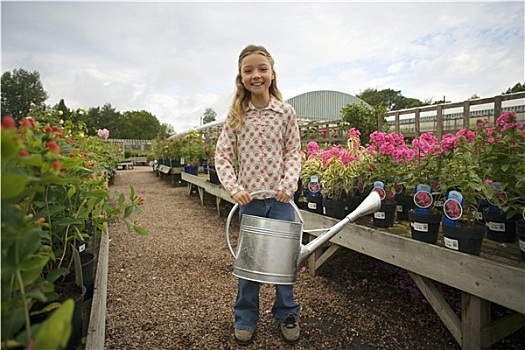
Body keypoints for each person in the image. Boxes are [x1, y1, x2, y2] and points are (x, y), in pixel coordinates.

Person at [214, 44, 302, 345]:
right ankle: (245, 318)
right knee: (249, 266)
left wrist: (287, 186)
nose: (256, 75)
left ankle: (287, 313)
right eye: (248, 70)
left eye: (262, 69)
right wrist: (235, 189)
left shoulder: (285, 113)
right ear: (241, 78)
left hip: (280, 202)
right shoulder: (237, 115)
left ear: (272, 73)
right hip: (250, 203)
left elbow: (293, 153)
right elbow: (222, 157)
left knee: (283, 265)